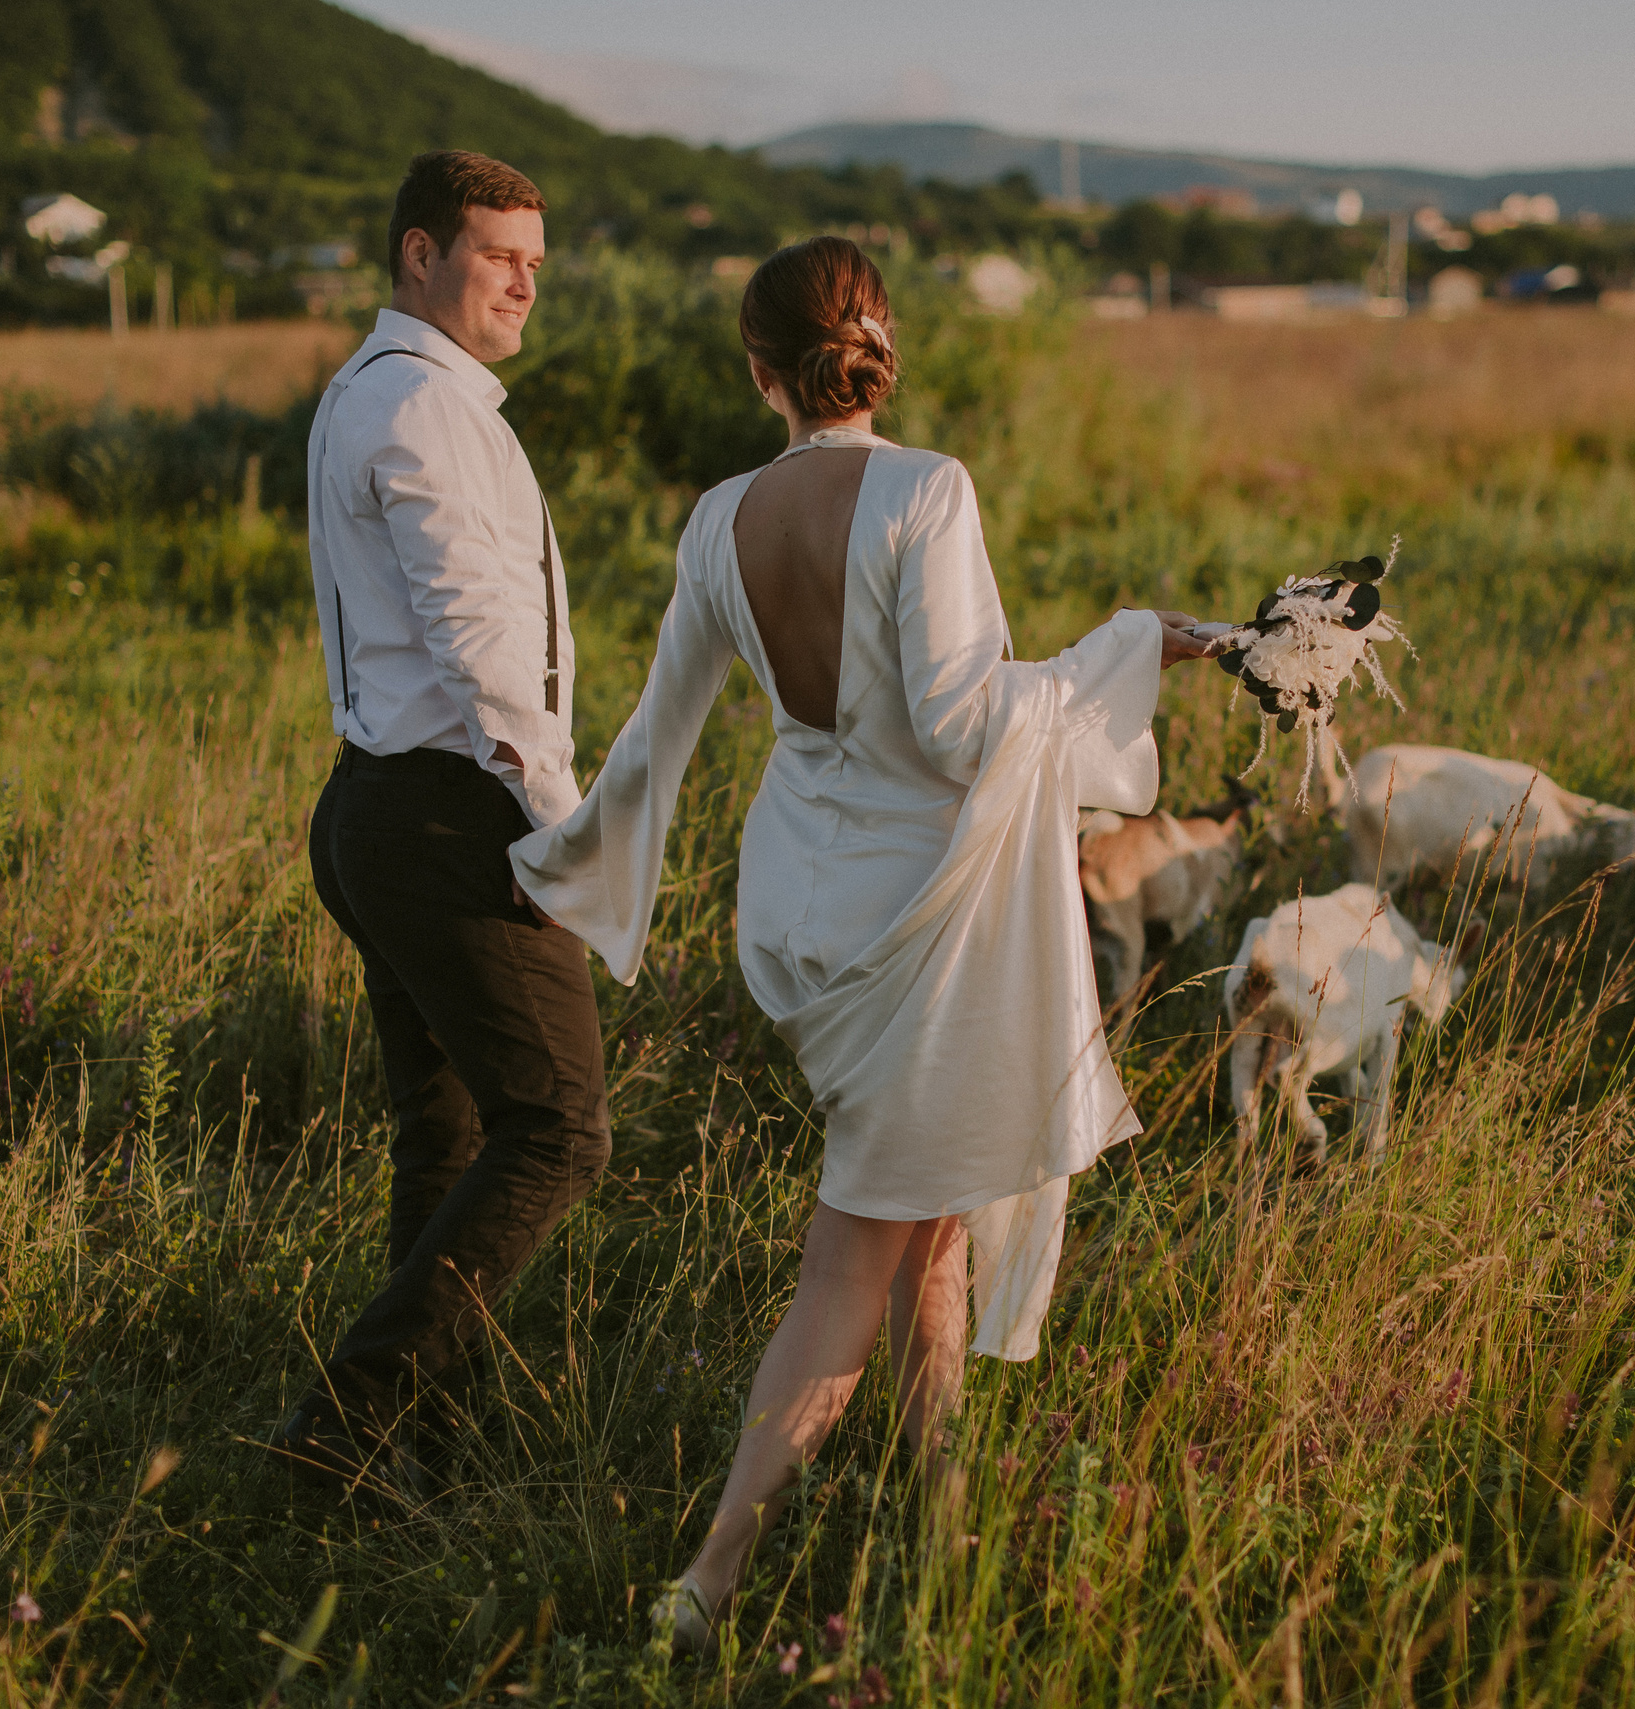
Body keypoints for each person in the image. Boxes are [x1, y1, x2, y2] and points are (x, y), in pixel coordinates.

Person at [510, 236, 1215, 1650]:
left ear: (760, 372)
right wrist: (1126, 645)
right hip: (922, 924)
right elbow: (961, 727)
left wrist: (562, 859)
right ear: (881, 351)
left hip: (803, 914)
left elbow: (657, 738)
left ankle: (939, 1507)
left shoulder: (716, 521)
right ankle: (705, 1581)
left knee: (930, 1226)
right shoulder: (925, 492)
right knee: (853, 1253)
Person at [274, 150, 611, 1498]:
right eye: (498, 255)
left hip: (381, 807)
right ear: (421, 254)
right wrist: (565, 834)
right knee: (562, 1131)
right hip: (450, 823)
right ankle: (339, 1433)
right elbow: (484, 652)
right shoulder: (421, 409)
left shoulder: (386, 390)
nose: (528, 279)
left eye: (537, 257)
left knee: (455, 1140)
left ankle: (419, 1453)